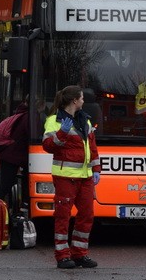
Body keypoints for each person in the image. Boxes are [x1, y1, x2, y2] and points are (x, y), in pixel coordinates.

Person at [42, 85, 101, 270]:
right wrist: (62, 133)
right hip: (65, 176)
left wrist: (96, 168)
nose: (84, 101)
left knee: (86, 215)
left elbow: (92, 147)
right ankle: (62, 256)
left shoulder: (85, 120)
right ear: (74, 100)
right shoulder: (54, 120)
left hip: (85, 177)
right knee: (63, 217)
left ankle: (79, 254)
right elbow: (48, 146)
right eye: (82, 98)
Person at [0, 101, 30, 209]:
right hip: (12, 157)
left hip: (10, 155)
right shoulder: (29, 117)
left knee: (8, 185)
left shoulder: (22, 114)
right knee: (5, 186)